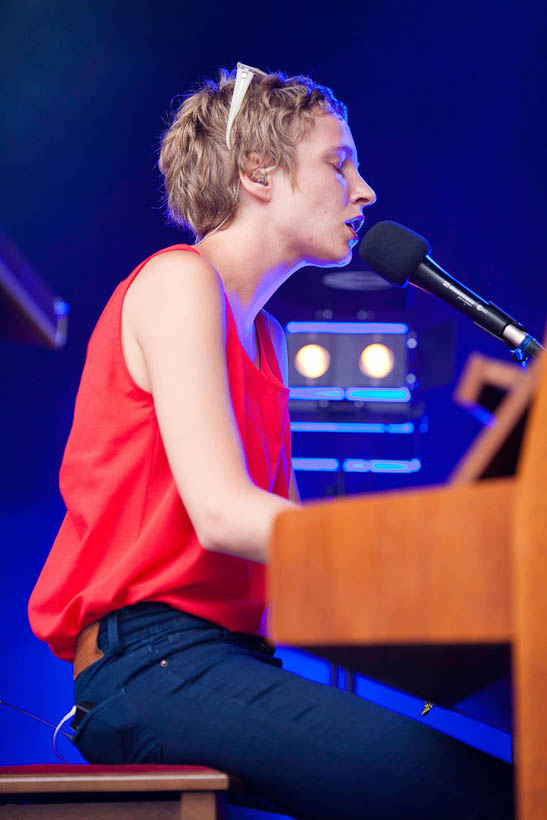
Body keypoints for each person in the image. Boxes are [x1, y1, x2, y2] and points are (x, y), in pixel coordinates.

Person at [28, 63, 513, 819]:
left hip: (222, 659)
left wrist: (478, 600)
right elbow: (224, 515)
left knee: (495, 779)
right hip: (156, 666)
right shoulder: (178, 282)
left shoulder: (267, 336)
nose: (364, 191)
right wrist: (422, 551)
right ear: (257, 171)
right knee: (482, 797)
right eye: (338, 161)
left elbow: (293, 568)